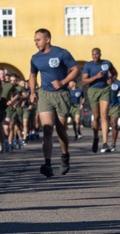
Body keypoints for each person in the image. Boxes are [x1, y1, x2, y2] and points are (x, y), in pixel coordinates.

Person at [28, 29, 79, 178]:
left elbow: (76, 70)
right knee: (47, 129)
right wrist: (32, 92)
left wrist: (63, 81)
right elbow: (32, 76)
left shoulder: (62, 53)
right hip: (44, 95)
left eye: (38, 39)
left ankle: (64, 155)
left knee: (61, 130)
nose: (36, 42)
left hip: (61, 95)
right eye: (35, 40)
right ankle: (48, 164)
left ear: (47, 39)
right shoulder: (35, 58)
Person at [81, 48, 116, 152]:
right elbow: (83, 81)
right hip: (93, 90)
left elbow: (115, 72)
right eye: (93, 54)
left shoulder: (107, 63)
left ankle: (105, 143)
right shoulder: (88, 65)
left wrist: (112, 79)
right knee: (96, 117)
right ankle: (96, 137)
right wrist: (96, 77)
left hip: (105, 89)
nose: (95, 56)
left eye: (96, 54)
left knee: (104, 115)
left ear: (100, 54)